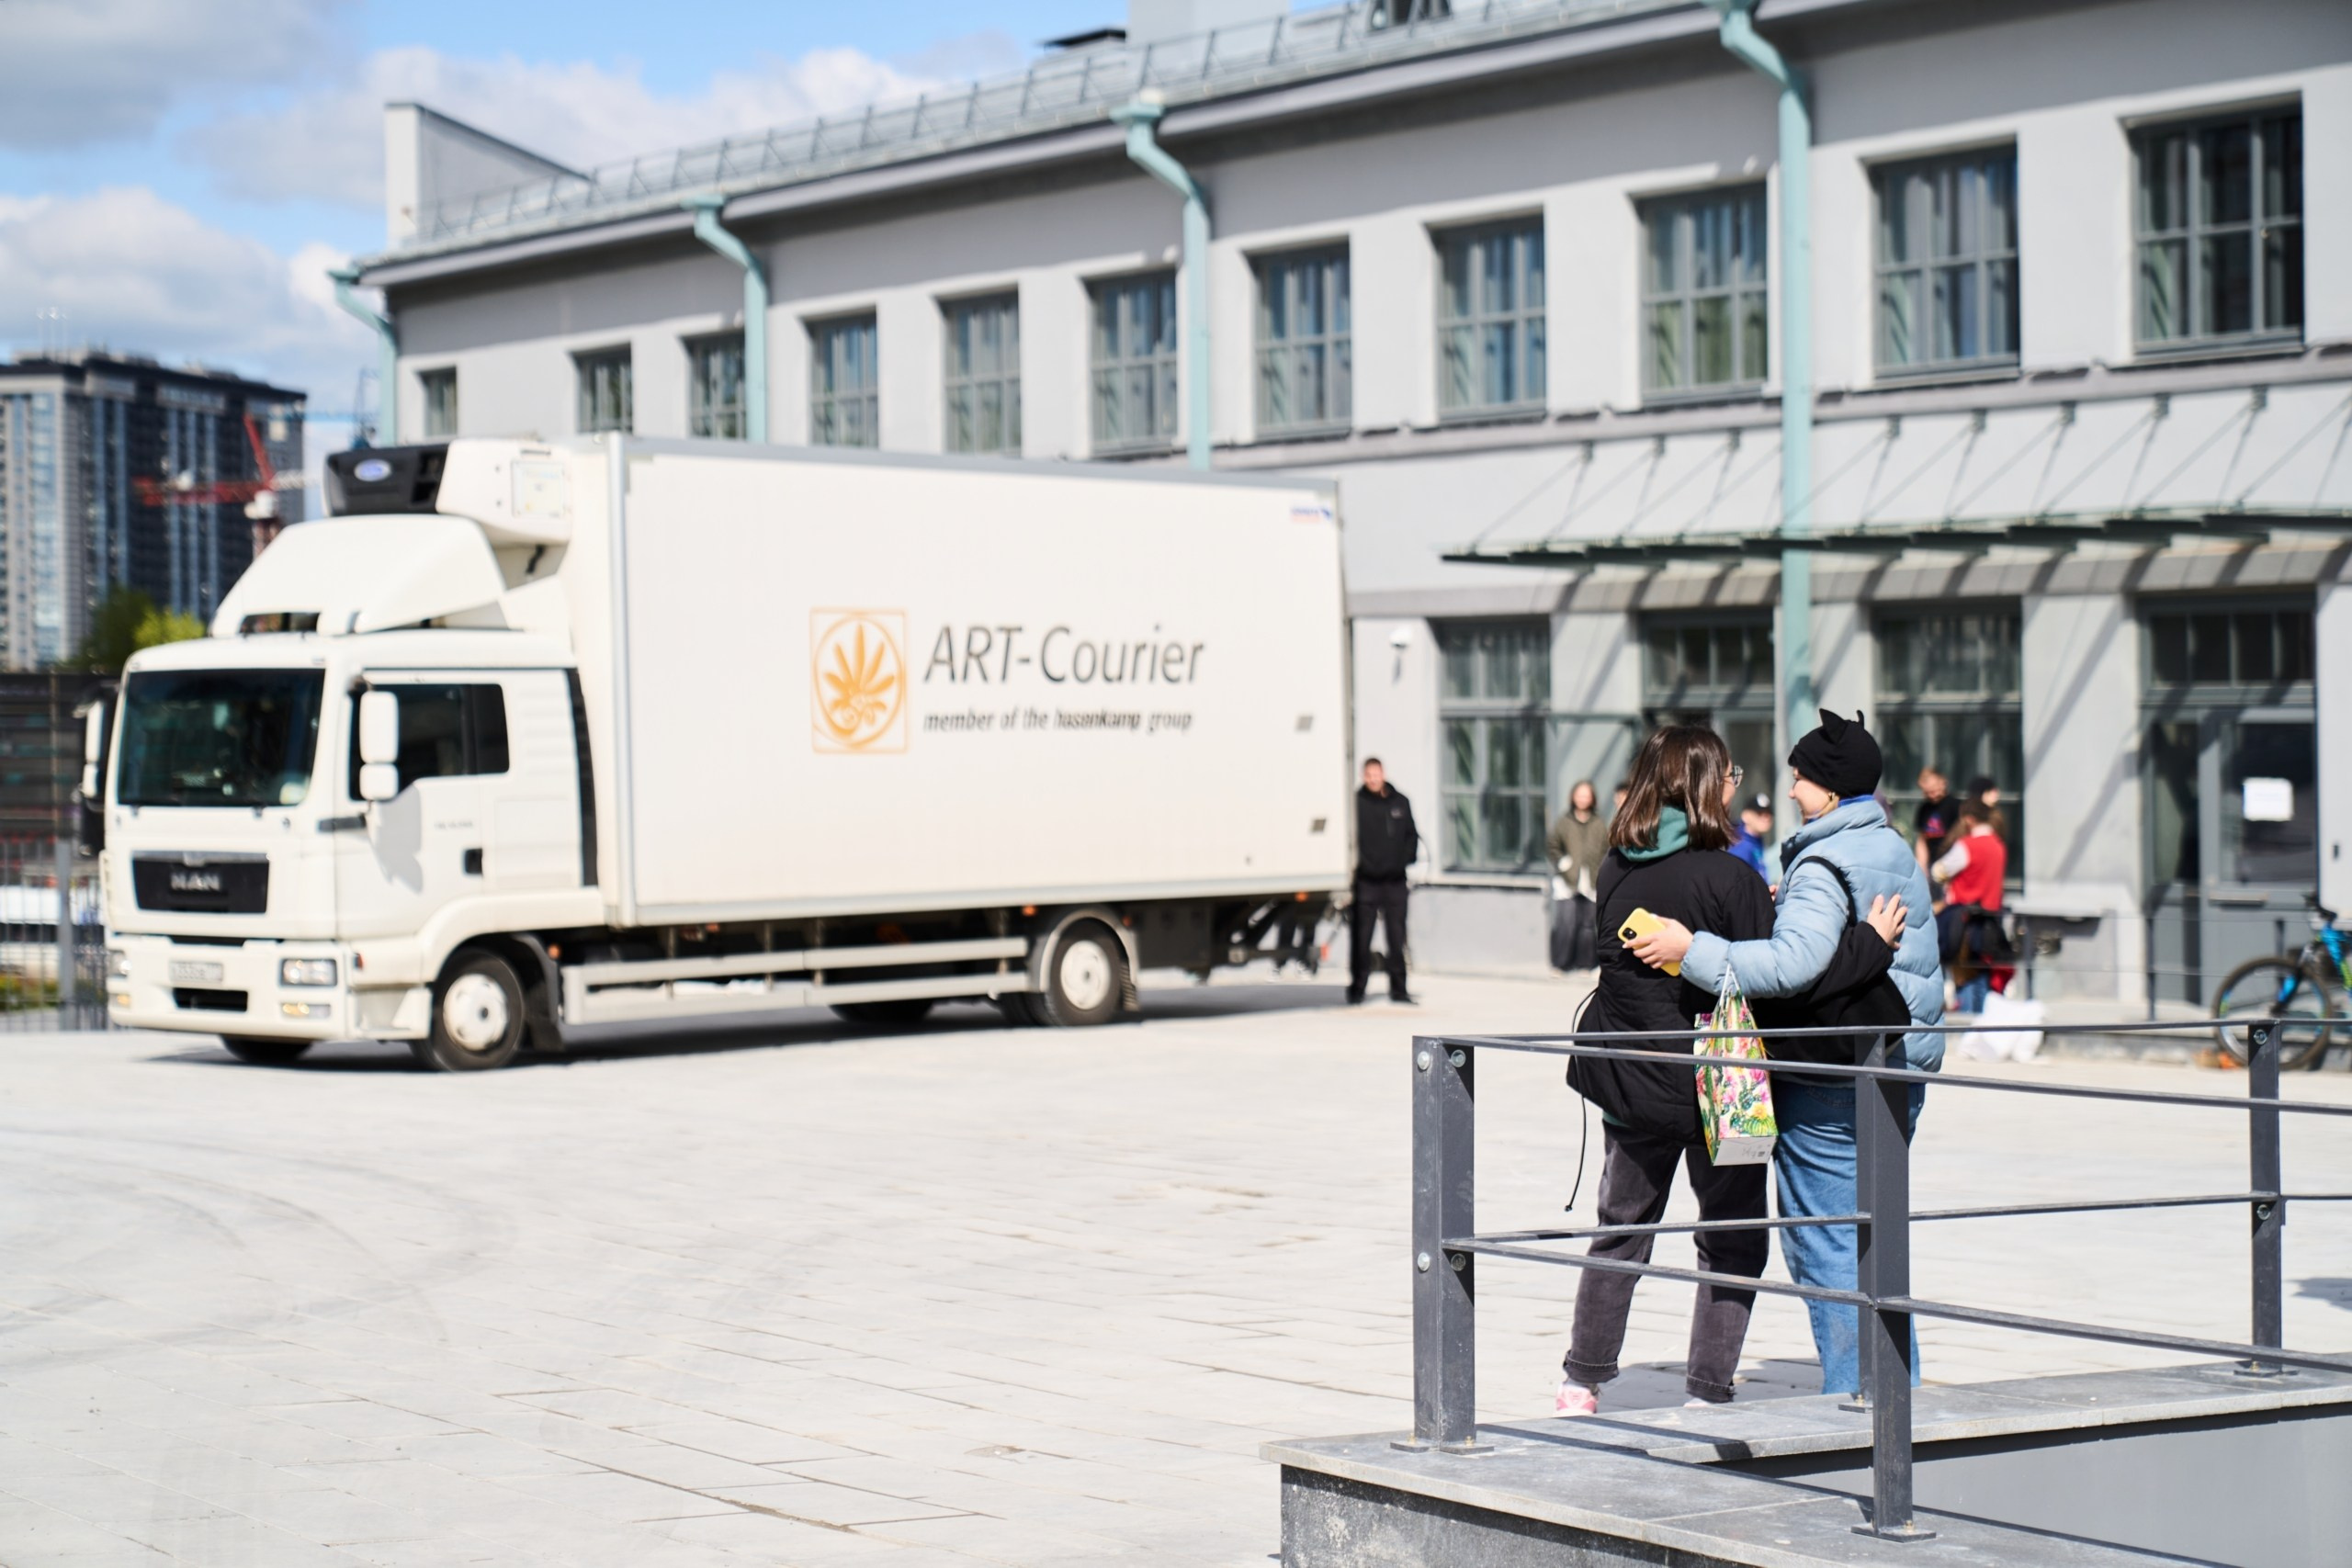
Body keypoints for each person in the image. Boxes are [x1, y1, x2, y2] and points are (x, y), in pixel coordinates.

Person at [1626, 711, 1944, 1398]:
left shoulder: (1825, 858)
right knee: (1876, 1243)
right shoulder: (1888, 846)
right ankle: (1902, 1398)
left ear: (1829, 789)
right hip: (1898, 1067)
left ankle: (1864, 1411)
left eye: (1799, 779)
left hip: (1833, 1076)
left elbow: (1793, 966)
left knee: (1826, 1247)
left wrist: (1693, 952)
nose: (1792, 790)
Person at [1556, 728, 1774, 1415]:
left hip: (1632, 1084)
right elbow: (1765, 980)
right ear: (1706, 785)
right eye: (1729, 772)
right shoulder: (1733, 876)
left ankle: (1581, 1379)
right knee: (1731, 1235)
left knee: (1620, 1230)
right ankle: (1708, 1387)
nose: (1735, 783)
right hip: (1721, 1089)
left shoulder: (1616, 868)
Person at [1348, 758, 1418, 1006]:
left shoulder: (1400, 802)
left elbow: (1412, 838)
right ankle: (1357, 989)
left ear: (1383, 774)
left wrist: (1402, 862)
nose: (1373, 779)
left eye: (1376, 774)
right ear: (1363, 776)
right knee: (1361, 939)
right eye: (1368, 775)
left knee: (1396, 938)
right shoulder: (1356, 804)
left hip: (1395, 882)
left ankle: (1399, 990)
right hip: (1367, 882)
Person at [1934, 799, 2011, 1013]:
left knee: (1964, 978)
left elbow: (1939, 870)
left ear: (1968, 819)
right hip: (1991, 923)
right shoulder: (1999, 845)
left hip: (1964, 923)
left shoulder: (1967, 845)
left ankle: (1967, 1031)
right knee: (1983, 977)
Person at [1545, 780, 1609, 971]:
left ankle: (1586, 964)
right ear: (1573, 797)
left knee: (1588, 926)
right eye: (1580, 795)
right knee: (1566, 923)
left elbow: (1606, 849)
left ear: (1592, 798)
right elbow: (1552, 845)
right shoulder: (1564, 822)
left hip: (1591, 881)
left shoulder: (1599, 823)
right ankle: (1561, 964)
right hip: (1568, 880)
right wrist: (1562, 863)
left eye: (1586, 795)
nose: (1583, 799)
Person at [1912, 768, 1954, 874]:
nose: (1932, 795)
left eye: (1934, 791)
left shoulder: (1955, 806)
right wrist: (1922, 866)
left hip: (1952, 864)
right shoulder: (1924, 809)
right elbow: (1922, 840)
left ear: (1943, 783)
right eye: (1927, 792)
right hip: (1932, 865)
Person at [1728, 791, 1773, 878]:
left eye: (1769, 813)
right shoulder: (1739, 845)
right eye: (1759, 813)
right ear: (1746, 816)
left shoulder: (1756, 842)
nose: (1766, 817)